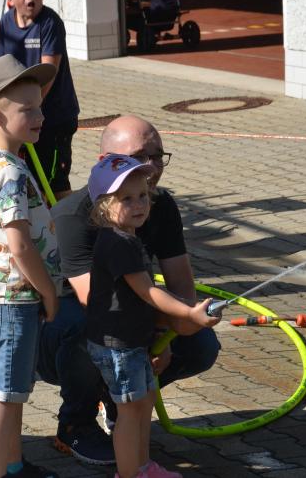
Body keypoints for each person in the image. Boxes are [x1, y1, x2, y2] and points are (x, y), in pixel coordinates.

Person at [40, 115, 222, 466]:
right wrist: (155, 335)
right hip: (70, 326)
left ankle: (119, 403)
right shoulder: (73, 216)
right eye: (140, 157)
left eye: (158, 155)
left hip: (129, 317)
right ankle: (75, 423)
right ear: (104, 163)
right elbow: (93, 301)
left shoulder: (159, 205)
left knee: (200, 342)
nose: (152, 167)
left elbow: (181, 284)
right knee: (83, 330)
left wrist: (171, 331)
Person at [84, 154, 219, 478]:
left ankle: (143, 466)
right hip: (117, 346)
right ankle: (130, 473)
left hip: (130, 342)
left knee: (142, 404)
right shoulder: (118, 243)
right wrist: (188, 313)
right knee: (130, 412)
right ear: (103, 206)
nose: (139, 204)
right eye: (126, 199)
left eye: (143, 196)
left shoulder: (128, 238)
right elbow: (148, 292)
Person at [0, 54, 61, 478]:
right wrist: (48, 292)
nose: (40, 116)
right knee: (4, 393)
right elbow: (21, 245)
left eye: (40, 106)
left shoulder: (7, 163)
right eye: (28, 110)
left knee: (15, 390)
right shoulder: (6, 171)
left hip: (15, 297)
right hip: (14, 296)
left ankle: (12, 464)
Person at [0, 0, 80, 200]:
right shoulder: (6, 23)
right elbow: (3, 66)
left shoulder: (50, 23)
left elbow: (48, 71)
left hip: (55, 117)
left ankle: (69, 231)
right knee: (33, 178)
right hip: (27, 115)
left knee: (55, 182)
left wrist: (27, 108)